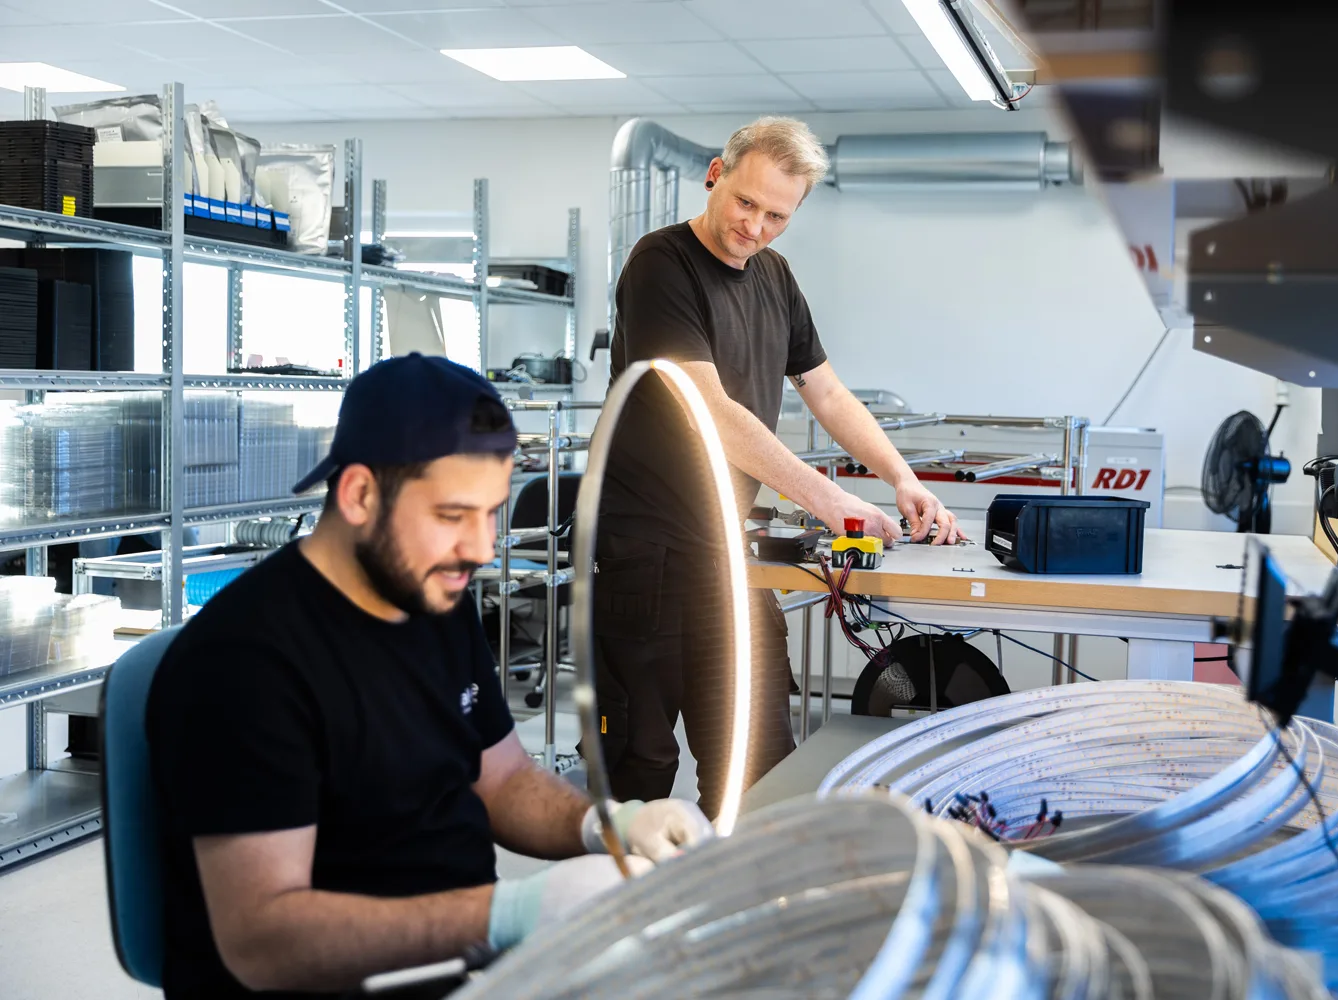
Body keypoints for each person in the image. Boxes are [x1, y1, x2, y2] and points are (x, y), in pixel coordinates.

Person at [147, 354, 713, 999]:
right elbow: (263, 942)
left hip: (467, 964)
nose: (479, 548)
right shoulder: (244, 663)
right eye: (452, 515)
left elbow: (501, 781)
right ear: (359, 494)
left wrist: (612, 824)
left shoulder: (431, 597)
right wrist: (508, 916)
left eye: (492, 512)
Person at [593, 117, 965, 817]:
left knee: (759, 764)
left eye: (776, 216)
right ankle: (619, 908)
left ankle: (742, 907)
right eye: (745, 203)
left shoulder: (774, 276)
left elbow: (823, 388)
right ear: (715, 174)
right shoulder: (660, 265)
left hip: (727, 552)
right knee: (639, 763)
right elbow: (707, 407)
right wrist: (834, 503)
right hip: (645, 552)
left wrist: (901, 477)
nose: (755, 227)